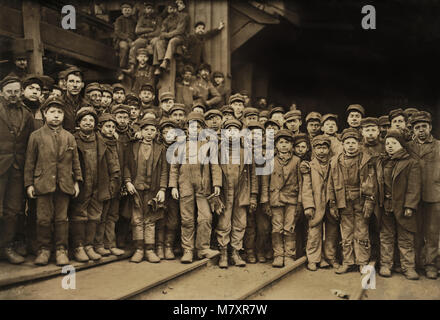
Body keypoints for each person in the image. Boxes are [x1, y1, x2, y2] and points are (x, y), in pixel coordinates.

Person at [24, 97, 82, 266]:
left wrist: (76, 181)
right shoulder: (35, 136)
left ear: (64, 115)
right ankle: (43, 250)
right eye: (52, 112)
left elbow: (75, 162)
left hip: (64, 184)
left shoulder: (69, 137)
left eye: (59, 112)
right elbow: (29, 162)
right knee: (43, 219)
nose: (56, 116)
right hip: (43, 184)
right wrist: (29, 184)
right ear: (45, 114)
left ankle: (61, 250)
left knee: (61, 219)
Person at [169, 112, 222, 263]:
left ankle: (203, 248)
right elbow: (174, 167)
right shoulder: (179, 145)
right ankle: (188, 250)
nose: (195, 129)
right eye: (192, 126)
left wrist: (216, 183)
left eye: (198, 127)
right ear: (187, 129)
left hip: (203, 187)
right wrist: (173, 186)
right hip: (184, 185)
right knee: (187, 219)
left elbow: (215, 166)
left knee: (206, 217)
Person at [69, 107, 120, 262]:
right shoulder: (72, 139)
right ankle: (78, 246)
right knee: (79, 215)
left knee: (95, 216)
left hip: (98, 183)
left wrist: (112, 181)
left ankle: (89, 246)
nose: (88, 123)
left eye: (91, 120)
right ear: (78, 122)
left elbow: (111, 162)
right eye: (84, 120)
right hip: (82, 184)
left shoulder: (101, 141)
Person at [327, 128, 377, 274]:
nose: (350, 145)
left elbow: (371, 182)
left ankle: (362, 262)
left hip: (360, 200)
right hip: (343, 200)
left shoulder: (366, 160)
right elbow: (331, 184)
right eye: (347, 143)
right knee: (346, 231)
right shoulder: (335, 161)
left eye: (353, 143)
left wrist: (369, 201)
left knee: (361, 231)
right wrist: (333, 204)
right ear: (342, 144)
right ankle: (348, 262)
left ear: (359, 144)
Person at [377, 129, 421, 280]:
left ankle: (408, 267)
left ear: (402, 145)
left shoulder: (411, 163)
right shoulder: (382, 162)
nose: (389, 146)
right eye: (387, 143)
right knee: (386, 236)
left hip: (402, 207)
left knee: (406, 237)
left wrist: (410, 206)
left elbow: (414, 187)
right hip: (386, 205)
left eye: (394, 143)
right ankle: (386, 265)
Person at [0, 75, 34, 264]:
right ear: (1, 93)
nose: (13, 95)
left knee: (13, 210)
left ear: (21, 92)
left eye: (16, 92)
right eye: (9, 92)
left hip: (17, 169)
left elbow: (29, 143)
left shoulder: (27, 114)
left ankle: (6, 247)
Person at [124, 118, 168, 263]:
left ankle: (149, 250)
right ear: (141, 131)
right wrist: (128, 182)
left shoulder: (160, 149)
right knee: (137, 219)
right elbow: (127, 166)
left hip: (152, 189)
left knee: (150, 219)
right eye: (146, 130)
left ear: (156, 133)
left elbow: (163, 171)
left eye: (152, 130)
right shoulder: (132, 146)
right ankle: (139, 249)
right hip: (136, 189)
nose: (149, 133)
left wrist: (162, 189)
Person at [216, 119, 258, 268]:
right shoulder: (219, 150)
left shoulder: (245, 151)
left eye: (235, 130)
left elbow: (253, 175)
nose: (232, 133)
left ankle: (235, 252)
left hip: (241, 192)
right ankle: (223, 253)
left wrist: (253, 195)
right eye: (229, 130)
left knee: (240, 223)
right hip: (225, 192)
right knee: (224, 222)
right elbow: (213, 172)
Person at [260, 129, 302, 268]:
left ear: (291, 145)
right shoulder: (270, 160)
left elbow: (301, 183)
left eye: (287, 142)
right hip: (275, 199)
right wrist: (265, 200)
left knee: (289, 228)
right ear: (276, 145)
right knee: (276, 228)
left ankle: (289, 254)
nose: (284, 145)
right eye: (281, 142)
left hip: (291, 198)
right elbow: (265, 181)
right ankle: (278, 254)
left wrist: (300, 202)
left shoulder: (297, 161)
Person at [407, 111, 440, 279]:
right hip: (413, 197)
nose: (421, 130)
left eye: (424, 127)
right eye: (417, 127)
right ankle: (417, 264)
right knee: (415, 231)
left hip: (434, 195)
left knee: (433, 232)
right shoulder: (408, 147)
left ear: (430, 127)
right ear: (412, 130)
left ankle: (431, 265)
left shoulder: (438, 146)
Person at [301, 135, 335, 271]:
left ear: (329, 149)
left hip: (331, 203)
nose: (322, 151)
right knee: (314, 232)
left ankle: (330, 258)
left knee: (332, 232)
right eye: (318, 148)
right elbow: (307, 187)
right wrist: (309, 206)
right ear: (314, 150)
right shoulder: (309, 166)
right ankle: (313, 259)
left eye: (324, 147)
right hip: (316, 203)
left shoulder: (334, 163)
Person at [95, 114, 125, 257]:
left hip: (116, 184)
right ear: (100, 127)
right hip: (103, 184)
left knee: (113, 216)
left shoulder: (117, 143)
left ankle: (110, 244)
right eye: (107, 126)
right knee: (102, 215)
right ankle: (99, 244)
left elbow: (121, 163)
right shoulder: (98, 142)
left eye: (113, 127)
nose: (110, 129)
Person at [156, 118, 180, 260]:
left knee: (173, 218)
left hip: (175, 189)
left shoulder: (180, 148)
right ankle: (159, 246)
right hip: (159, 188)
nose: (168, 136)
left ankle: (168, 246)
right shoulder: (157, 148)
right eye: (165, 133)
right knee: (159, 217)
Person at [151, 1, 190, 75]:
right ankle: (158, 65)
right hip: (168, 38)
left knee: (172, 41)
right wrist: (165, 35)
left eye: (173, 9)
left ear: (176, 9)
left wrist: (167, 35)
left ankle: (166, 61)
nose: (171, 10)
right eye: (169, 9)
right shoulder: (166, 20)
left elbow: (180, 30)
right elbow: (162, 32)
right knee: (158, 42)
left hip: (180, 38)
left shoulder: (182, 17)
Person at [127, 2, 162, 68]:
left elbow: (158, 32)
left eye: (151, 8)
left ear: (154, 10)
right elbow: (137, 30)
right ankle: (132, 66)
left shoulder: (158, 18)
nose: (150, 10)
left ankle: (157, 66)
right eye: (148, 8)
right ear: (145, 9)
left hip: (153, 38)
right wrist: (149, 29)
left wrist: (146, 34)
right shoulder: (142, 18)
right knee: (134, 45)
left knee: (156, 43)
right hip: (143, 38)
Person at [113, 2, 136, 69]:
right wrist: (127, 39)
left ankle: (133, 68)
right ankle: (122, 68)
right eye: (125, 10)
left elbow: (136, 31)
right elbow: (118, 32)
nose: (127, 12)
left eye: (128, 10)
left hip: (133, 40)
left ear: (131, 11)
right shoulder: (119, 20)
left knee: (136, 47)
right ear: (122, 11)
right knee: (124, 47)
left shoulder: (134, 20)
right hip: (122, 40)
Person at [62, 66, 85, 133]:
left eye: (78, 82)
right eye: (71, 81)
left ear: (82, 85)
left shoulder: (86, 105)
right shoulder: (58, 103)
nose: (75, 85)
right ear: (65, 83)